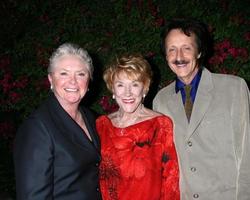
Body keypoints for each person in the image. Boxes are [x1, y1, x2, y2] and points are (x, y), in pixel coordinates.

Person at [153, 18, 250, 200]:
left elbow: (247, 152)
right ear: (166, 56)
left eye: (186, 48)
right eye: (172, 49)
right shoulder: (161, 101)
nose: (179, 56)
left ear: (199, 52)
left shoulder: (233, 88)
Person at [14, 43, 102, 200]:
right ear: (50, 79)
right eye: (64, 74)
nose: (73, 82)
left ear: (88, 81)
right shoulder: (37, 127)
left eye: (81, 74)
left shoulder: (91, 117)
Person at [96, 53, 180, 200]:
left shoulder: (160, 125)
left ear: (145, 89)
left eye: (135, 84)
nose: (128, 93)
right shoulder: (101, 125)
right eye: (120, 85)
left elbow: (171, 179)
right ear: (113, 90)